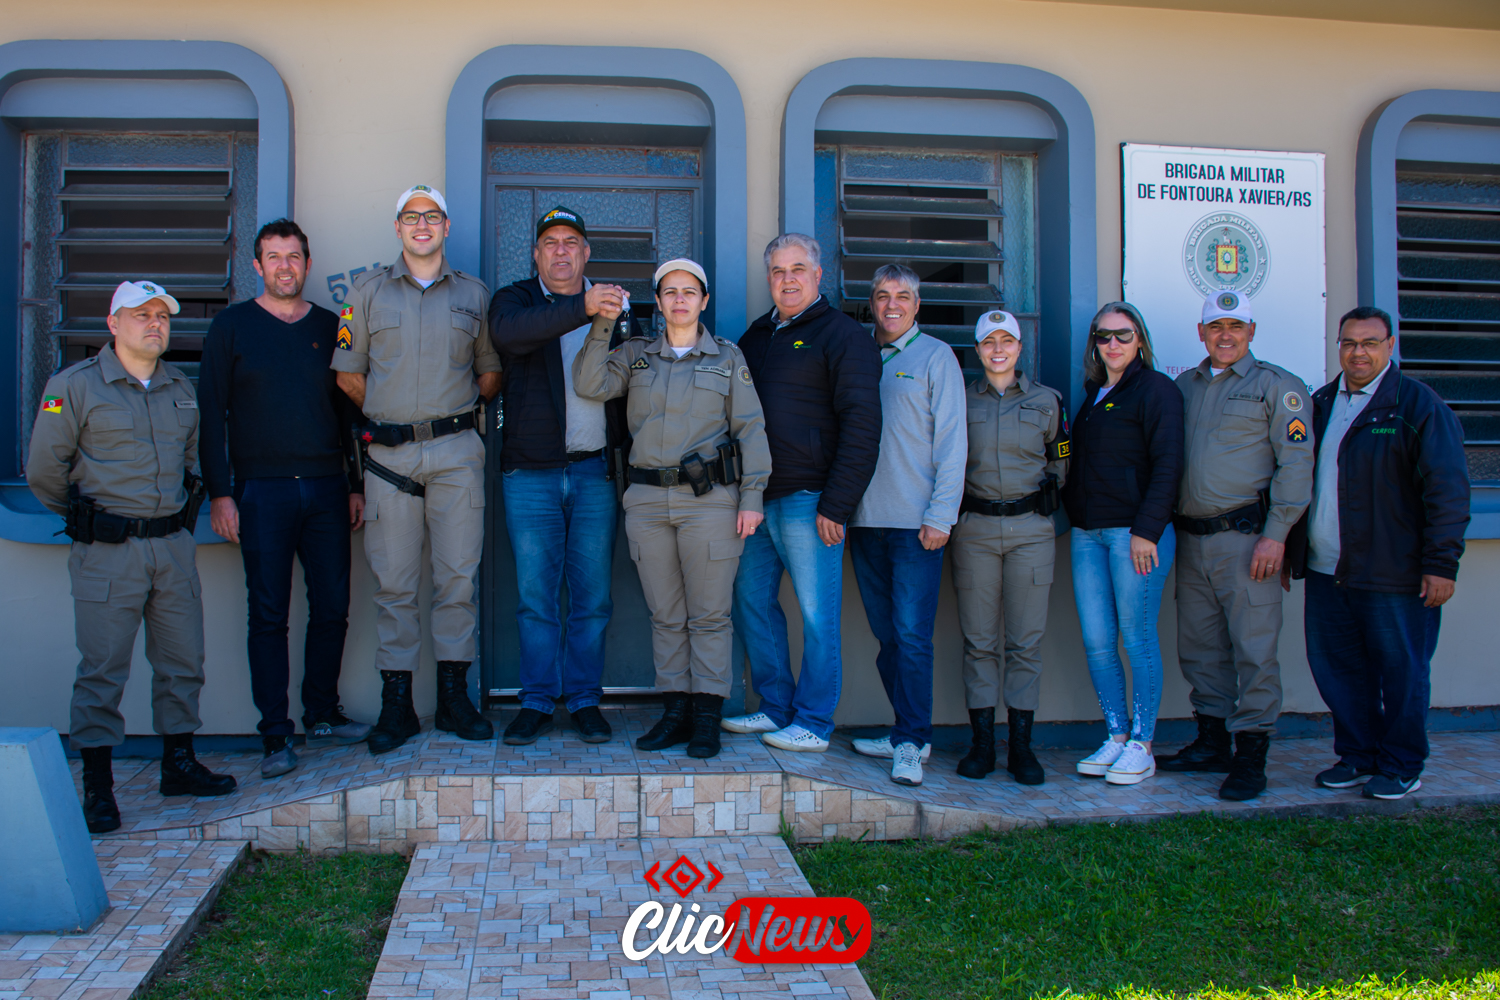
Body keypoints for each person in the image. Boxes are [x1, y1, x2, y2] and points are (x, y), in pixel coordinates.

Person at [27, 280, 237, 833]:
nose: (154, 325)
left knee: (182, 661)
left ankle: (179, 763)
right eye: (140, 315)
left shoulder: (179, 389)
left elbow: (192, 463)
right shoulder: (72, 386)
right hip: (108, 550)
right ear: (112, 324)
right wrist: (92, 519)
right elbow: (44, 471)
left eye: (162, 317)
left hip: (171, 546)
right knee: (102, 670)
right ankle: (98, 785)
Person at [572, 259, 771, 758]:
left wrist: (752, 498)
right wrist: (602, 323)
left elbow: (751, 430)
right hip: (645, 501)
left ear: (704, 301)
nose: (679, 300)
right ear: (657, 304)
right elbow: (589, 384)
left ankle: (706, 716)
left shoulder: (727, 357)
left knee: (709, 616)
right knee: (666, 615)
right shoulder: (636, 354)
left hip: (709, 503)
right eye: (669, 292)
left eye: (689, 292)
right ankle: (675, 712)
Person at [331, 185, 501, 755]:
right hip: (389, 460)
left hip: (456, 456)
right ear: (397, 226)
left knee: (457, 580)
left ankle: (454, 699)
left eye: (431, 216)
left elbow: (489, 375)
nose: (421, 225)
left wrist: (443, 419)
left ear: (446, 227)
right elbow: (348, 375)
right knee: (395, 585)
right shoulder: (366, 293)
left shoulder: (474, 296)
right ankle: (397, 707)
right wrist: (394, 419)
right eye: (411, 217)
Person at [198, 219, 371, 779]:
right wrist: (222, 495)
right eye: (273, 257)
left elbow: (349, 413)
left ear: (307, 262)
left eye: (293, 256)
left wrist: (353, 484)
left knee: (333, 606)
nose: (284, 266)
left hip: (324, 488)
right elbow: (211, 419)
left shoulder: (331, 326)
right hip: (260, 492)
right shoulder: (230, 327)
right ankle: (276, 735)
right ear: (258, 265)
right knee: (268, 615)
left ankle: (321, 712)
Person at [1287, 306, 1469, 801]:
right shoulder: (1321, 403)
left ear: (1391, 345)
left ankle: (1401, 763)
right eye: (1348, 343)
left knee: (1402, 671)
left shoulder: (1418, 407)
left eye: (1369, 342)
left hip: (1395, 573)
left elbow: (1448, 493)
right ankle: (1358, 756)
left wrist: (1441, 564)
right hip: (1330, 570)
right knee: (1339, 670)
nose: (1358, 352)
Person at [488, 206, 643, 746]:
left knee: (592, 598)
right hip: (529, 476)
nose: (560, 250)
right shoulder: (514, 301)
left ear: (586, 253)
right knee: (535, 597)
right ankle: (534, 701)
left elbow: (636, 379)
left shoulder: (615, 308)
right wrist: (582, 306)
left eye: (571, 241)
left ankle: (582, 700)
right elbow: (511, 337)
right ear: (536, 253)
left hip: (595, 474)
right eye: (550, 241)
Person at [722, 234, 882, 752]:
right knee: (751, 602)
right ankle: (774, 707)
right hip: (756, 500)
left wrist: (838, 502)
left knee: (818, 615)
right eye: (776, 270)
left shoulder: (843, 336)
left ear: (817, 275)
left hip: (812, 501)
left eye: (797, 269)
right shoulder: (755, 337)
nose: (786, 279)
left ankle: (813, 722)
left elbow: (862, 425)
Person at [1157, 290, 1314, 801]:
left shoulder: (1278, 388)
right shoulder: (1184, 386)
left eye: (1236, 327)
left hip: (1248, 542)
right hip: (1191, 540)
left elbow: (1296, 466)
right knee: (1200, 648)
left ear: (1251, 331)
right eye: (1216, 327)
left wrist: (1278, 534)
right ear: (1201, 333)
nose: (1226, 336)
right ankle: (1212, 741)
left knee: (1254, 649)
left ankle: (1251, 755)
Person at [846, 265, 965, 787]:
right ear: (871, 304)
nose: (891, 305)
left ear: (917, 305)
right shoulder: (858, 355)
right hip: (864, 522)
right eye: (881, 296)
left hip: (917, 527)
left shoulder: (936, 356)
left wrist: (942, 515)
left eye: (902, 297)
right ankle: (904, 732)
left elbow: (953, 444)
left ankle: (914, 741)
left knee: (913, 637)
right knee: (887, 636)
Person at [1062, 302, 1183, 786]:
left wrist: (1147, 530)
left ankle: (1143, 742)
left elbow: (1169, 464)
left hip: (1136, 536)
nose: (1113, 344)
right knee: (1097, 641)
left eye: (1123, 335)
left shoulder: (1157, 390)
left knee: (1137, 638)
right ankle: (1115, 734)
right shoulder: (1094, 393)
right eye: (1104, 336)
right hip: (1088, 534)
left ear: (1140, 341)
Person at [948, 310, 1069, 786]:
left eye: (1007, 342)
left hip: (1031, 531)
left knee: (1025, 642)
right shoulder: (960, 398)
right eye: (988, 343)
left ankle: (1021, 746)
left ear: (1021, 349)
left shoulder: (1047, 401)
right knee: (979, 642)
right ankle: (982, 745)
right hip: (975, 528)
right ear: (977, 351)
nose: (998, 350)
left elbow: (1061, 462)